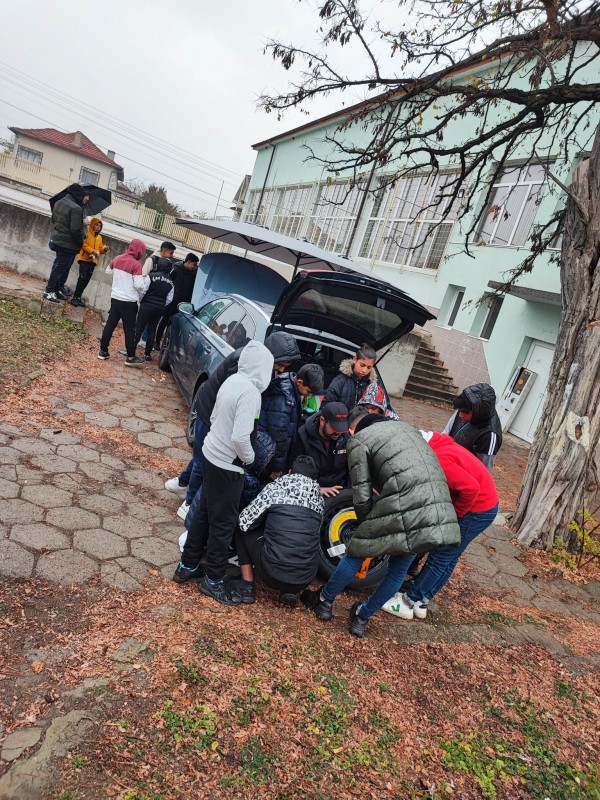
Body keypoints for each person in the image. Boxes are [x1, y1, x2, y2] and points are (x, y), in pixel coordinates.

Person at [302, 407, 460, 638]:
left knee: (356, 553)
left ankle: (324, 601)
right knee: (399, 569)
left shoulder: (360, 440)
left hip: (403, 503)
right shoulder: (407, 429)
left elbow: (362, 494)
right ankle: (362, 617)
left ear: (354, 429)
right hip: (437, 508)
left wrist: (364, 526)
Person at [172, 340, 274, 605]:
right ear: (263, 368)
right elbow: (241, 437)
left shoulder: (232, 380)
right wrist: (249, 459)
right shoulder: (251, 393)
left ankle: (187, 565)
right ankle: (214, 580)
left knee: (204, 512)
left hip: (210, 454)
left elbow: (215, 416)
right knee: (223, 524)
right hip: (228, 465)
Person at [165, 331, 301, 520]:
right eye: (280, 364)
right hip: (209, 411)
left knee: (201, 455)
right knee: (204, 461)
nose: (281, 370)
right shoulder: (244, 363)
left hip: (213, 411)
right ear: (273, 355)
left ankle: (181, 483)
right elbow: (235, 400)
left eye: (285, 367)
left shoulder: (255, 361)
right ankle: (188, 503)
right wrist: (249, 456)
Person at [382, 429, 499, 620]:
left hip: (477, 510)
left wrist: (455, 515)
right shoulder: (437, 444)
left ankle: (408, 602)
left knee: (441, 555)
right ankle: (422, 600)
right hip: (484, 505)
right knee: (450, 556)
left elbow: (471, 489)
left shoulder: (440, 459)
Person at [234, 455, 324, 605]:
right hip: (304, 579)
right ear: (314, 480)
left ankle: (247, 585)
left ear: (290, 472)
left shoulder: (275, 489)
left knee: (242, 526)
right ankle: (290, 592)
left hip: (270, 573)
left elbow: (244, 522)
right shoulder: (319, 501)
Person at [257, 362, 324, 483]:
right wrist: (277, 468)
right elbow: (279, 435)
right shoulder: (284, 398)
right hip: (268, 456)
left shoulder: (289, 387)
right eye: (308, 391)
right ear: (299, 382)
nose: (309, 395)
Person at [98, 239, 146, 366]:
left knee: (110, 325)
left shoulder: (117, 258)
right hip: (129, 302)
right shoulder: (136, 265)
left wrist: (119, 278)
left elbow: (108, 271)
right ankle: (130, 357)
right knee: (129, 330)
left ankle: (103, 351)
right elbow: (139, 285)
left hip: (115, 298)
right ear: (139, 251)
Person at [290, 402, 350, 497]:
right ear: (322, 421)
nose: (338, 433)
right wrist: (317, 490)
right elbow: (295, 475)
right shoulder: (302, 436)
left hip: (340, 492)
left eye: (341, 428)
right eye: (334, 427)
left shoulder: (346, 438)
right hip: (310, 493)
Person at [43, 184, 90, 303]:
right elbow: (76, 230)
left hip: (58, 240)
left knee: (58, 266)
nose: (86, 198)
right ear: (78, 194)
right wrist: (80, 241)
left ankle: (55, 290)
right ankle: (49, 291)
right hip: (68, 244)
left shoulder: (59, 202)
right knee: (60, 268)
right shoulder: (76, 209)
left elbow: (54, 220)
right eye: (84, 195)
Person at [444, 383, 503, 471]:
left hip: (463, 474)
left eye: (465, 413)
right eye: (460, 410)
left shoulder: (489, 435)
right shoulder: (465, 407)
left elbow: (483, 471)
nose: (460, 415)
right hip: (446, 462)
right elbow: (445, 433)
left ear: (479, 412)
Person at [154, 253, 200, 349]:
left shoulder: (195, 273)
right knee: (164, 321)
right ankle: (157, 342)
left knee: (175, 325)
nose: (195, 267)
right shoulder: (176, 269)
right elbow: (168, 282)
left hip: (183, 304)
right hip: (171, 301)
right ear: (188, 262)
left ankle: (168, 344)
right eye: (194, 264)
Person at [133, 258, 175, 361]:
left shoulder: (151, 276)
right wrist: (161, 305)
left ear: (158, 266)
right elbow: (169, 299)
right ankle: (147, 354)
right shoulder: (171, 282)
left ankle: (131, 349)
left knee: (139, 328)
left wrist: (141, 301)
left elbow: (143, 290)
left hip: (146, 306)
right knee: (152, 330)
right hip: (159, 309)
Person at [323, 343, 377, 411]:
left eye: (369, 367)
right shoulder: (340, 381)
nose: (364, 370)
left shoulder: (372, 386)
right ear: (355, 359)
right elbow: (326, 407)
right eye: (362, 365)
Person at [71, 217, 108, 307]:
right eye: (96, 225)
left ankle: (78, 297)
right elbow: (83, 244)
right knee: (82, 278)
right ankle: (75, 297)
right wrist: (92, 251)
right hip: (84, 259)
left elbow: (100, 248)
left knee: (86, 280)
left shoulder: (99, 237)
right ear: (92, 225)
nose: (98, 227)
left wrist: (104, 249)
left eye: (100, 226)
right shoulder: (86, 233)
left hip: (93, 261)